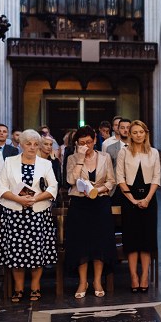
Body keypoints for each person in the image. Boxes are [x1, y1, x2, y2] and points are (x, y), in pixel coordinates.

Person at [0, 129, 59, 302]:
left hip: (38, 213)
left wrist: (36, 198)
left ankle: (35, 287)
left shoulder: (45, 164)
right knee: (17, 253)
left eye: (35, 144)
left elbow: (53, 187)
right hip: (15, 213)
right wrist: (18, 199)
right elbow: (1, 187)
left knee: (37, 253)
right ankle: (18, 288)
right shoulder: (9, 162)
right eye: (28, 144)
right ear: (21, 144)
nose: (32, 147)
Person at [64, 126, 116, 299]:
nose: (86, 145)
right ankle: (82, 281)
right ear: (77, 144)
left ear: (95, 140)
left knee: (99, 243)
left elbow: (111, 181)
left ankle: (97, 281)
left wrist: (99, 189)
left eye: (89, 142)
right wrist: (79, 159)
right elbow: (71, 180)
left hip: (100, 203)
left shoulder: (105, 157)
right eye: (82, 143)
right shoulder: (72, 158)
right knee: (81, 244)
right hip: (79, 204)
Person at [116, 120, 161, 292]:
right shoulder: (124, 153)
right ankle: (133, 276)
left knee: (147, 239)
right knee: (132, 239)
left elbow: (157, 177)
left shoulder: (154, 153)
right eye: (134, 132)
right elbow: (120, 178)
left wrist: (147, 199)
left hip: (149, 198)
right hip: (129, 199)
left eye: (140, 132)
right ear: (130, 135)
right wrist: (133, 200)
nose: (138, 135)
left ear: (146, 133)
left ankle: (144, 277)